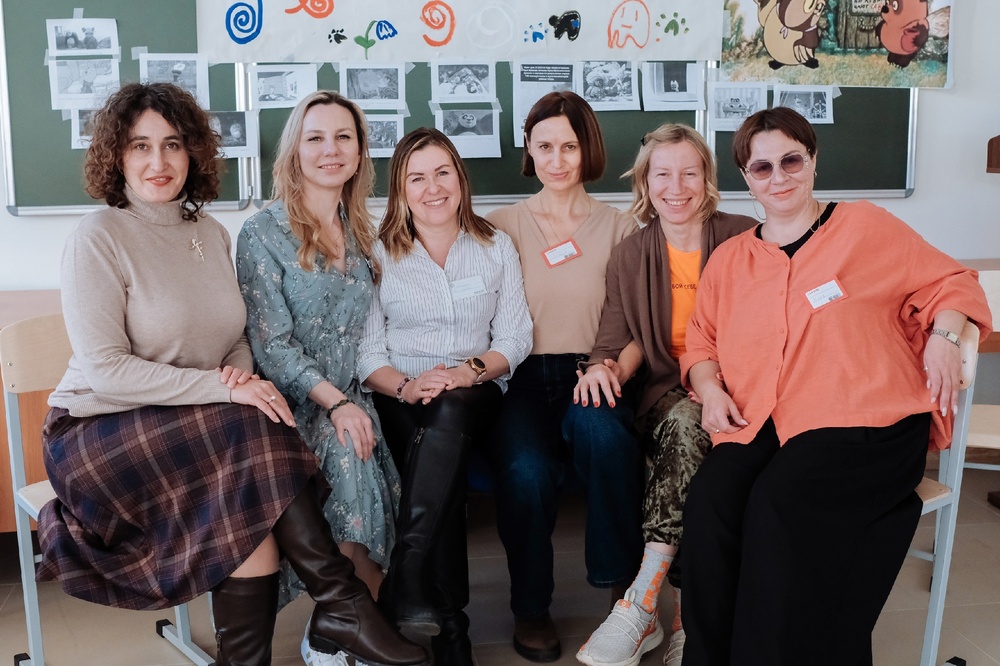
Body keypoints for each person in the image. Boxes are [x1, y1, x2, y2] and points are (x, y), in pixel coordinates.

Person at [35, 82, 428, 666]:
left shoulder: (210, 234)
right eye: (140, 146)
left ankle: (315, 620)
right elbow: (107, 370)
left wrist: (240, 382)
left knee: (250, 502)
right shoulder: (98, 236)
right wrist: (226, 388)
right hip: (99, 428)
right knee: (253, 432)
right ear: (117, 155)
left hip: (196, 420)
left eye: (172, 144)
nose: (158, 161)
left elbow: (238, 339)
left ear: (192, 152)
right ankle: (342, 601)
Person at [679, 107, 992, 665]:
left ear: (814, 161)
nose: (779, 177)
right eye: (762, 167)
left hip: (867, 419)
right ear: (746, 177)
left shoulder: (865, 226)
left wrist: (945, 336)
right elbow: (701, 341)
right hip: (765, 419)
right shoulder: (730, 260)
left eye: (791, 160)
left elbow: (951, 280)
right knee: (711, 501)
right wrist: (712, 388)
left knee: (779, 503)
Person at [573, 124, 755, 666]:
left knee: (692, 432)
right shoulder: (631, 255)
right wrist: (601, 369)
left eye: (689, 173)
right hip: (666, 395)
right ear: (645, 182)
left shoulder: (746, 237)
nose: (676, 188)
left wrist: (720, 383)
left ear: (707, 178)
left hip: (745, 390)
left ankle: (646, 604)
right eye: (662, 174)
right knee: (684, 423)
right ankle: (682, 618)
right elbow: (614, 341)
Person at [237, 91, 403, 665]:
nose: (330, 150)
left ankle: (338, 630)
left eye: (343, 137)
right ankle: (341, 625)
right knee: (352, 454)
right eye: (315, 138)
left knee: (369, 464)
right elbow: (271, 345)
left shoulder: (363, 231)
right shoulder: (262, 232)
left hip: (352, 397)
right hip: (289, 405)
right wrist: (335, 404)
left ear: (359, 153)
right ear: (295, 150)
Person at [357, 127, 532, 666]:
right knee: (440, 461)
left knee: (449, 413)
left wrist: (466, 372)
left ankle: (407, 575)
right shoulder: (378, 253)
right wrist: (408, 386)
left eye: (442, 173)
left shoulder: (495, 245)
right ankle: (453, 626)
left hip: (475, 393)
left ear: (460, 179)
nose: (432, 188)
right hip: (401, 396)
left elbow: (515, 338)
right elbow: (367, 354)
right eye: (417, 178)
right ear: (400, 188)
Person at [485, 90, 640, 663]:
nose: (556, 159)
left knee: (605, 437)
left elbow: (643, 324)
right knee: (525, 471)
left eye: (569, 146)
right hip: (520, 377)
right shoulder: (499, 226)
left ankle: (626, 599)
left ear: (587, 149)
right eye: (544, 146)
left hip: (593, 370)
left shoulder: (622, 226)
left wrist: (611, 366)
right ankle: (531, 608)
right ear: (528, 149)